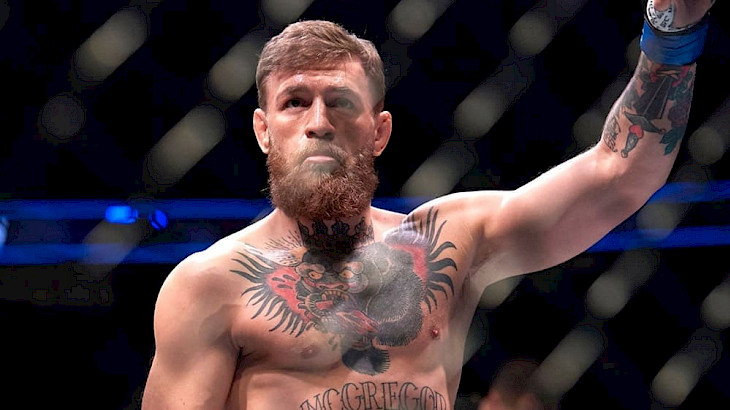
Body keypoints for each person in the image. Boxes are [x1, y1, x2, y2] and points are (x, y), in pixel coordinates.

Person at [141, 1, 716, 408]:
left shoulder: (447, 239)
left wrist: (673, 29)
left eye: (340, 101)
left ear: (379, 132)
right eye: (295, 102)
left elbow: (619, 174)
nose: (318, 122)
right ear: (263, 131)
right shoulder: (210, 283)